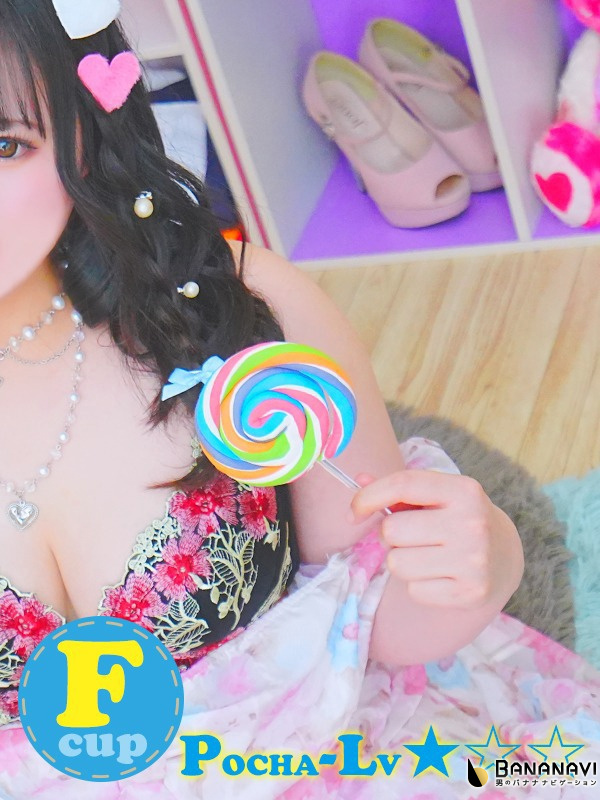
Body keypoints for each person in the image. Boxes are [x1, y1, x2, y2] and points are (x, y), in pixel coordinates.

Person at [0, 2, 599, 798]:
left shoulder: (232, 309)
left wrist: (479, 566)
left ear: (81, 131)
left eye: (4, 145)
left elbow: (375, 626)